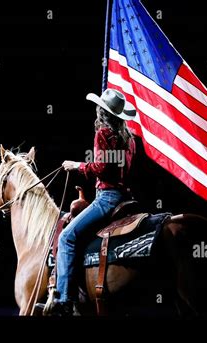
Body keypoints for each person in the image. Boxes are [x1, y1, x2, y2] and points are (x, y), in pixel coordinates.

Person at [50, 88, 136, 315]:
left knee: (67, 237)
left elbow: (101, 167)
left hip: (107, 198)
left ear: (102, 112)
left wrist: (75, 166)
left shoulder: (103, 134)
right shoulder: (130, 139)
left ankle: (64, 300)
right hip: (125, 198)